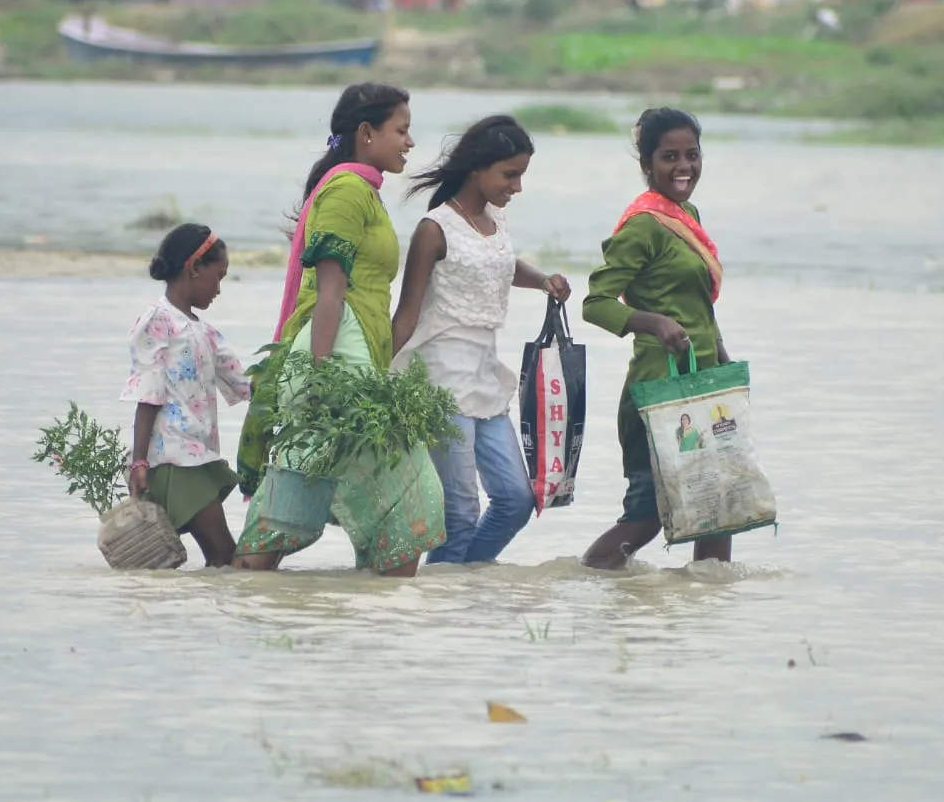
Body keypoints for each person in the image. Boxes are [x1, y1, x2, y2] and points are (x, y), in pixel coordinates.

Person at [234, 83, 446, 577]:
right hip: (339, 363)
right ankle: (371, 614)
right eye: (402, 130)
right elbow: (330, 290)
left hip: (356, 361)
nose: (410, 143)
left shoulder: (363, 192)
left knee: (293, 499)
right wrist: (319, 376)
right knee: (416, 499)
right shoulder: (347, 190)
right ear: (367, 133)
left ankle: (246, 585)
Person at [391, 116, 572, 565]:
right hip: (440, 384)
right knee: (460, 510)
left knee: (515, 499)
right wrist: (378, 380)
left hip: (485, 379)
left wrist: (544, 280)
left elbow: (503, 265)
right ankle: (455, 618)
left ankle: (462, 591)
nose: (517, 187)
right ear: (477, 168)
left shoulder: (495, 220)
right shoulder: (434, 229)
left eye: (521, 175)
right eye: (510, 175)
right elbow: (407, 312)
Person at [580, 108, 733, 570]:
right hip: (658, 391)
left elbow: (699, 307)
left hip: (703, 386)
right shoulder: (644, 225)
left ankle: (704, 615)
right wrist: (653, 323)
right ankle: (588, 580)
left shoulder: (687, 214)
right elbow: (596, 302)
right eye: (670, 157)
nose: (684, 167)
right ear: (647, 164)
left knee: (718, 510)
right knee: (646, 516)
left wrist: (723, 364)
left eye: (692, 155)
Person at [122, 224, 251, 567]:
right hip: (173, 459)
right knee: (225, 555)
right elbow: (148, 394)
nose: (220, 289)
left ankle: (195, 614)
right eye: (218, 276)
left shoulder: (205, 332)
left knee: (220, 557)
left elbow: (245, 384)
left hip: (197, 456)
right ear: (194, 268)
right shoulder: (158, 321)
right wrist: (139, 462)